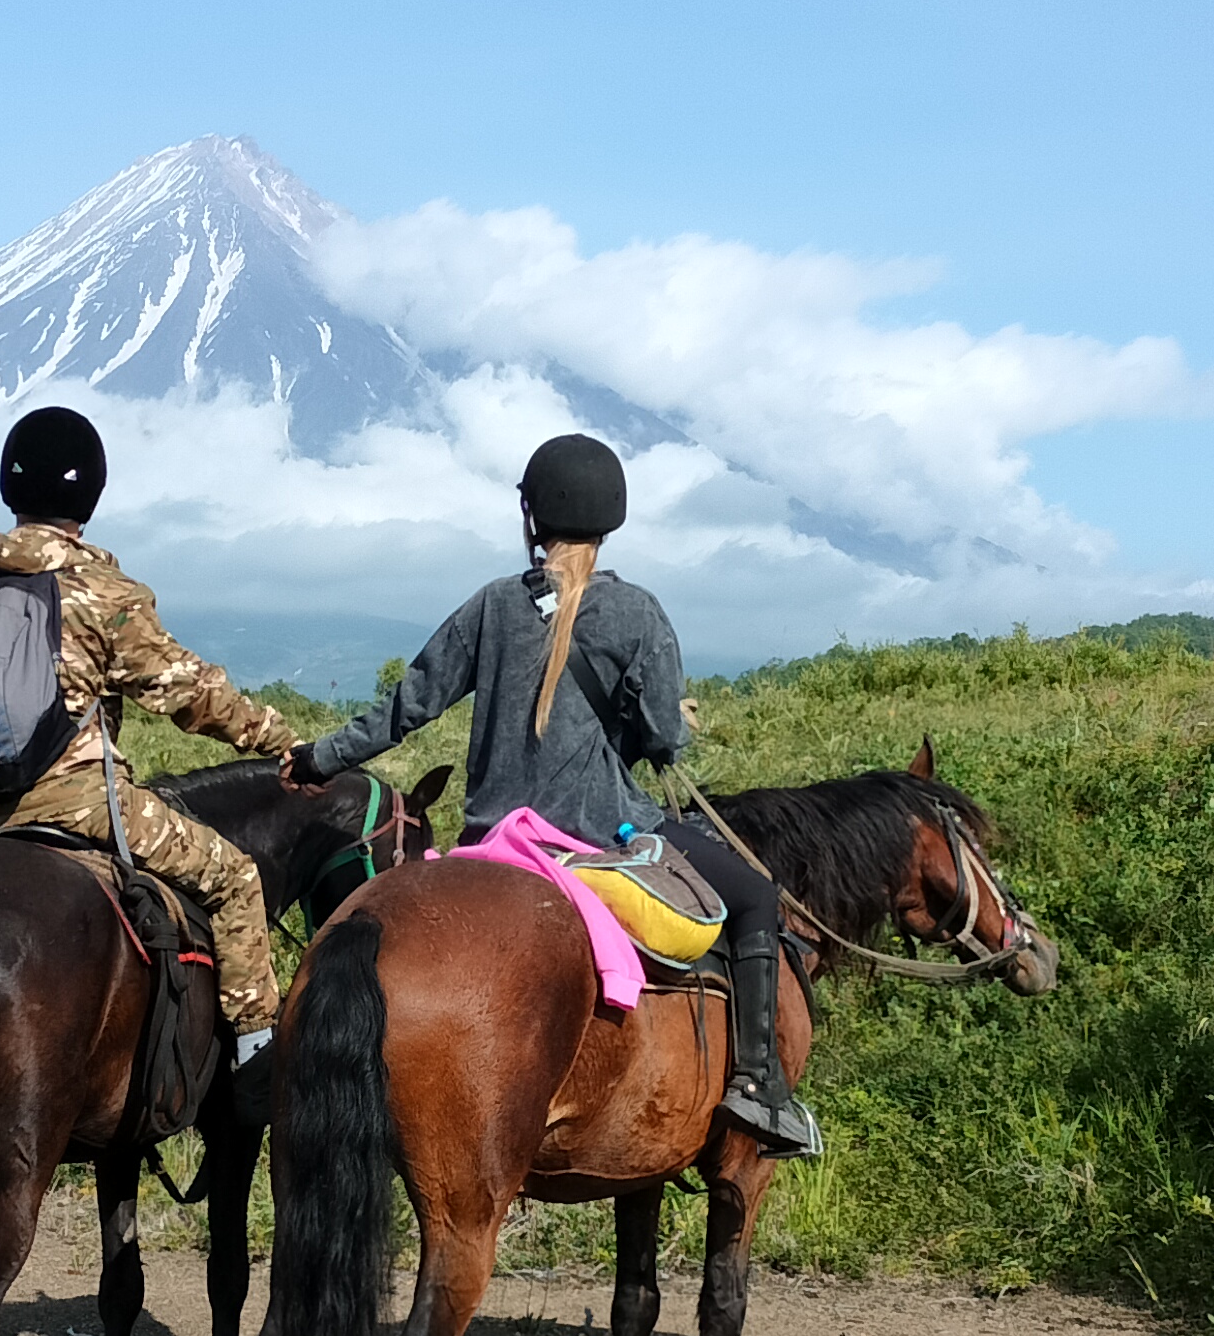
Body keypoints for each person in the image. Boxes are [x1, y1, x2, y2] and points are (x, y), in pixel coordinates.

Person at [287, 433, 820, 1155]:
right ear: (611, 518)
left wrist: (319, 759)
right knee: (756, 896)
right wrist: (671, 720)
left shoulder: (490, 607)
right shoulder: (637, 614)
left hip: (490, 840)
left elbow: (405, 708)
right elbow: (665, 739)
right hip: (603, 835)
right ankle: (759, 1088)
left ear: (532, 519)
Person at [0, 406, 305, 1065]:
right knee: (236, 877)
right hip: (77, 804)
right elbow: (189, 696)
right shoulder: (103, 593)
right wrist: (279, 739)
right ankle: (256, 1060)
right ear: (91, 492)